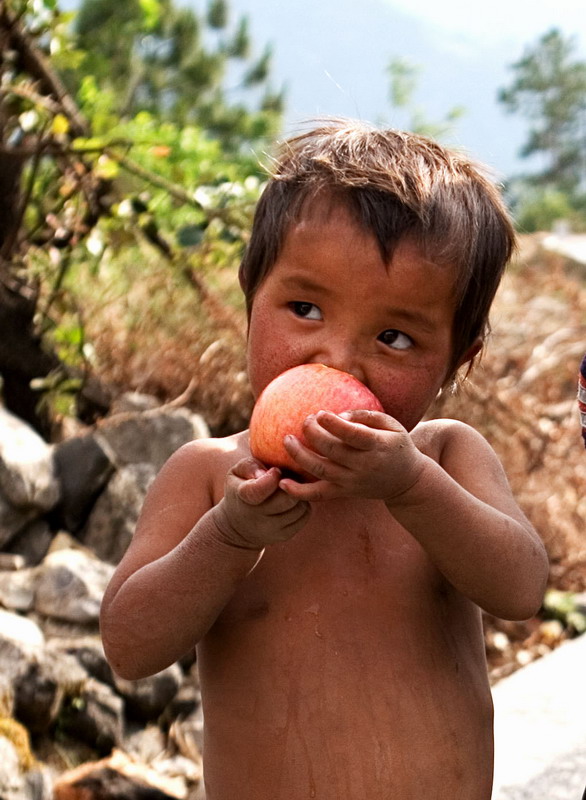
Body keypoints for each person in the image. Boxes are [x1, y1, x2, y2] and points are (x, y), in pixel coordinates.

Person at [100, 120, 549, 800]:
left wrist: (412, 487)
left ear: (460, 361)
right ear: (251, 293)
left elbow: (521, 590)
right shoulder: (208, 477)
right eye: (304, 307)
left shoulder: (447, 459)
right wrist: (226, 536)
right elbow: (129, 649)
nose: (337, 359)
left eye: (395, 336)